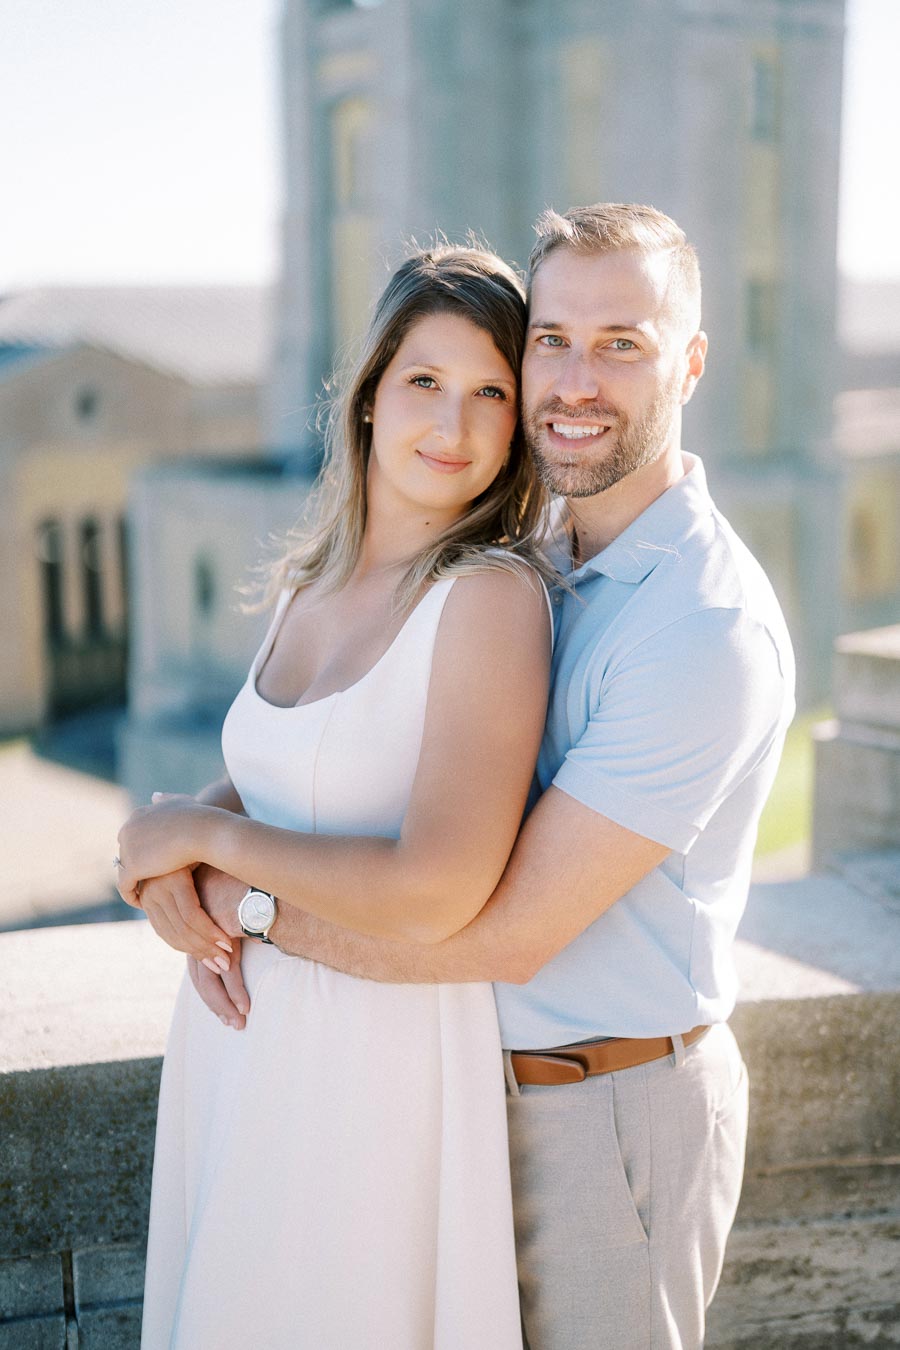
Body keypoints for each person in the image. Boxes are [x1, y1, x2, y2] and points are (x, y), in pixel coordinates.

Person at [130, 203, 796, 1350]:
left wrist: (227, 893)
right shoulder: (542, 554)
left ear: (688, 361)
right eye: (552, 340)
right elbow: (360, 749)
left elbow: (493, 932)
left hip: (604, 1113)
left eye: (622, 344)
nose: (575, 380)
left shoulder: (701, 626)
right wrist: (189, 840)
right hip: (446, 1091)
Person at [119, 243, 559, 1349]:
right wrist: (171, 857)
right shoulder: (319, 575)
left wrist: (205, 842)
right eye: (425, 381)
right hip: (239, 1053)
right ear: (368, 397)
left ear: (517, 426)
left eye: (490, 393)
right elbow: (283, 765)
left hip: (371, 1075)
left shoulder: (490, 600)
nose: (452, 425)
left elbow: (433, 889)